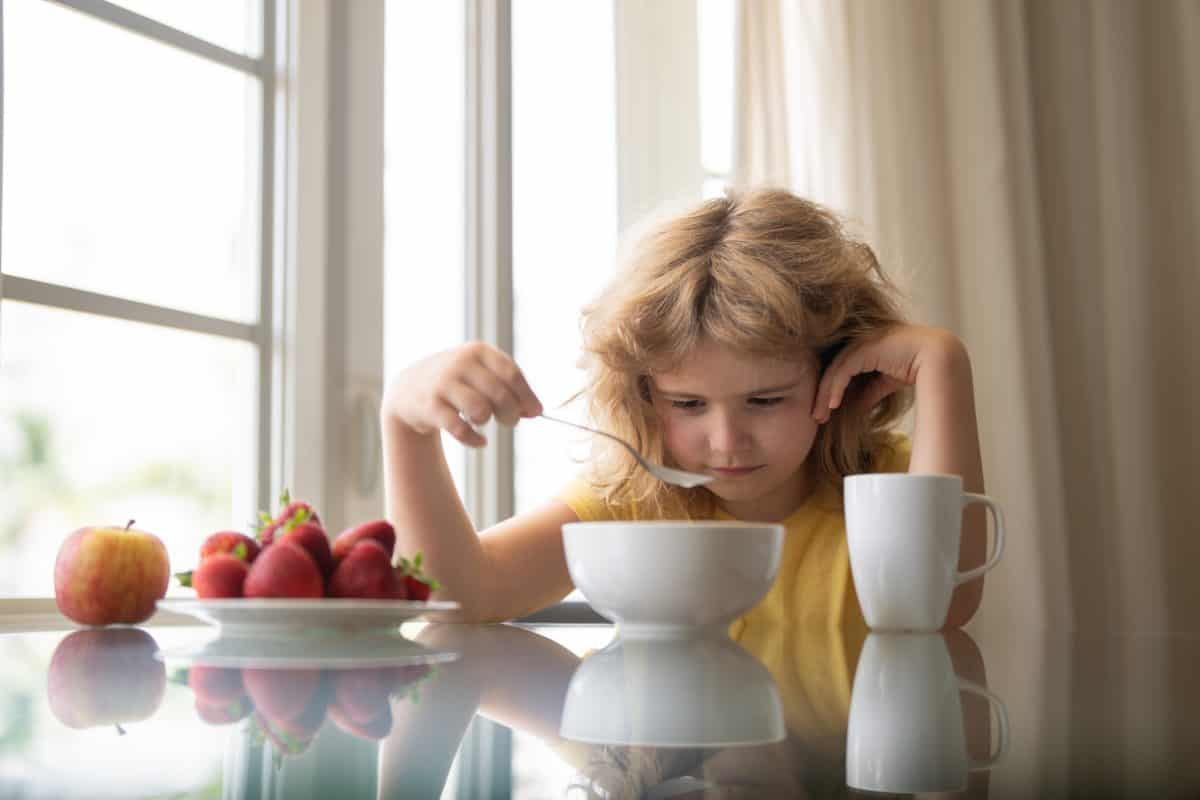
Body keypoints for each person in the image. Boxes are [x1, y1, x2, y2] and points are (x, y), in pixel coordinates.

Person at [379, 187, 987, 631]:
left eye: (766, 400)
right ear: (643, 394)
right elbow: (464, 595)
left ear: (841, 374)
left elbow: (940, 608)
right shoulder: (636, 498)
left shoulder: (886, 487)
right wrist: (405, 425)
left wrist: (943, 366)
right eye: (688, 404)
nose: (727, 441)